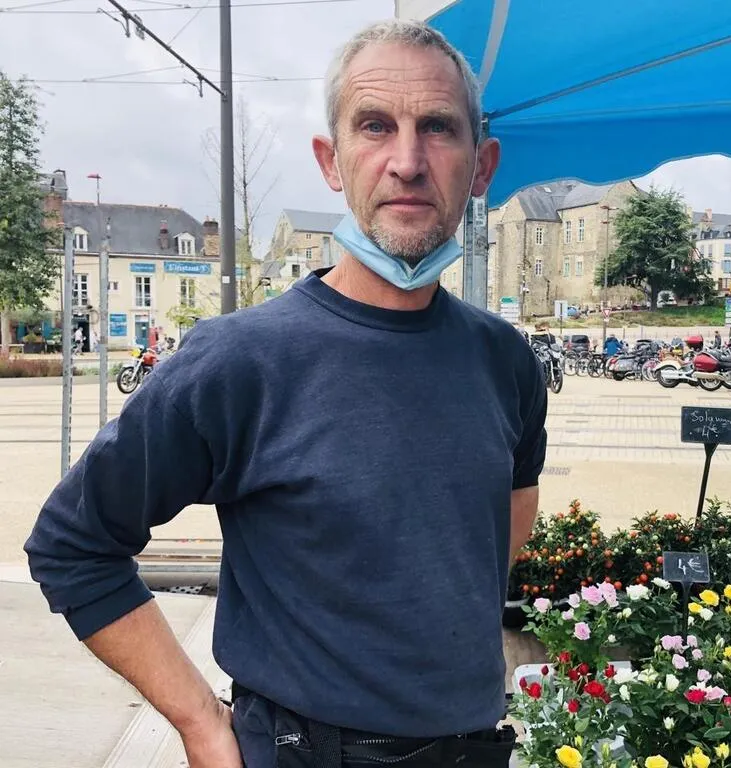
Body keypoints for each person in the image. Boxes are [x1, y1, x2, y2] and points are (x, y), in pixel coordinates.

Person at [24, 20, 547, 768]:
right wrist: (201, 723)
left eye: (438, 128)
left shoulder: (505, 360)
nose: (407, 161)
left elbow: (508, 510)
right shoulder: (240, 361)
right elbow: (73, 544)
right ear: (331, 161)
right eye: (375, 126)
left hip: (474, 748)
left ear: (482, 166)